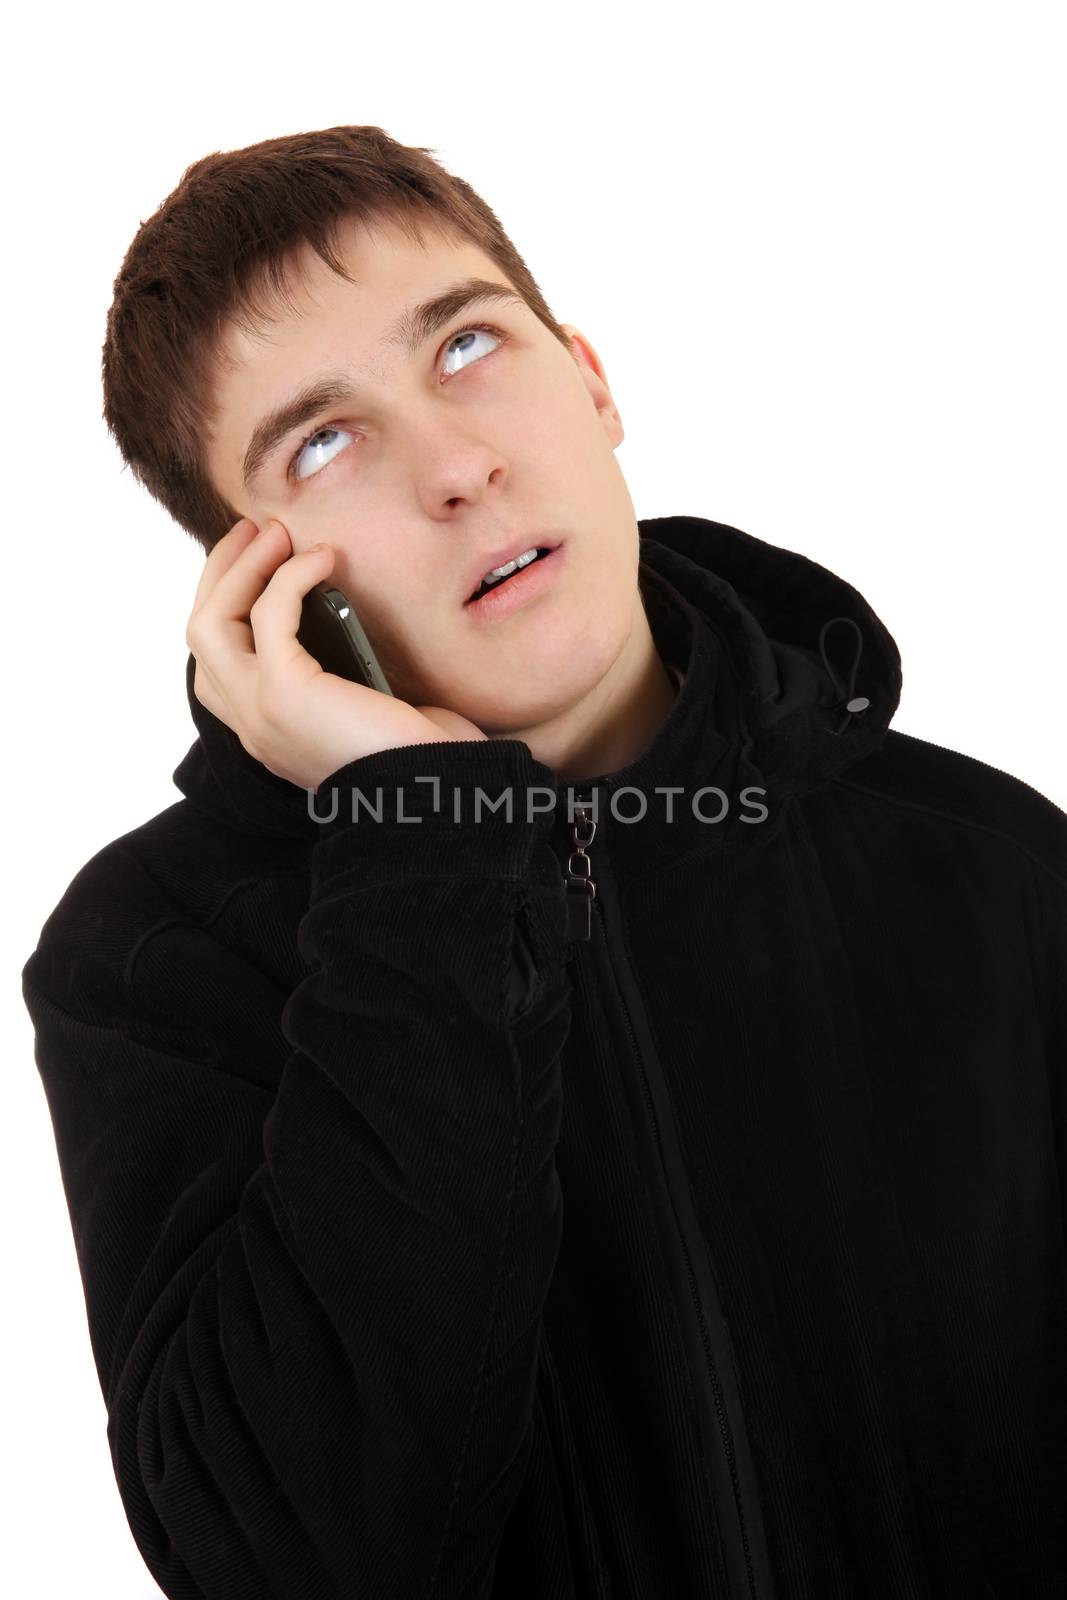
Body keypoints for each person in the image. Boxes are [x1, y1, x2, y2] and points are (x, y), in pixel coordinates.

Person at [20, 124, 1067, 1600]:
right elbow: (294, 1562)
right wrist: (418, 847)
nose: (458, 466)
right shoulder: (157, 960)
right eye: (324, 441)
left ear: (591, 377)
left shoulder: (997, 872)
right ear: (263, 589)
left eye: (464, 347)